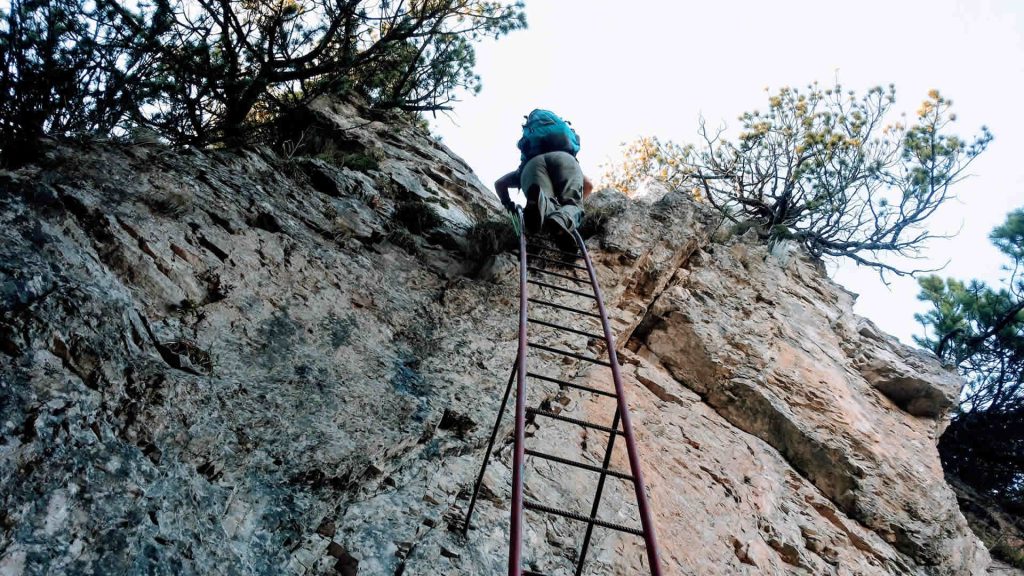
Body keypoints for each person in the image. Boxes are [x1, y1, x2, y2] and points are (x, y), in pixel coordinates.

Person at [495, 110, 594, 247]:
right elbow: (588, 185)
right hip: (564, 159)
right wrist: (570, 205)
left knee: (545, 201)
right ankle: (561, 218)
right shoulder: (563, 143)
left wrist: (508, 204)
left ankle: (540, 201)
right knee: (573, 204)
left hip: (531, 165)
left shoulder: (528, 156)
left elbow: (500, 183)